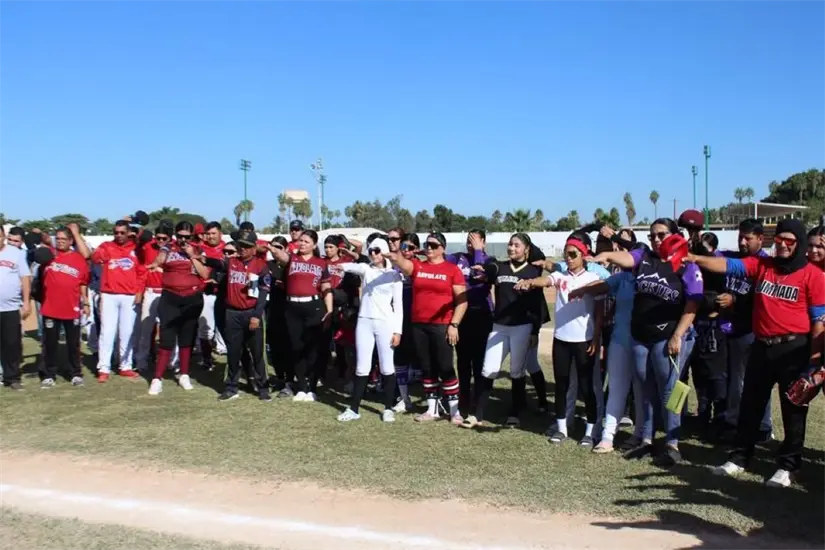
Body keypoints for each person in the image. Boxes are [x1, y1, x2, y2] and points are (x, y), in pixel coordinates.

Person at [694, 219, 825, 488]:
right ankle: (739, 458)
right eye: (779, 240)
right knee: (750, 405)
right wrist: (693, 258)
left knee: (793, 410)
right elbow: (728, 265)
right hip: (762, 346)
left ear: (799, 243)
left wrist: (813, 364)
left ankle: (788, 467)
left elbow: (818, 323)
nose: (783, 245)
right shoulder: (763, 265)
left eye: (789, 240)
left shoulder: (813, 275)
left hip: (794, 349)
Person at [594, 218, 704, 467]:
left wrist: (677, 335)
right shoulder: (644, 257)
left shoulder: (686, 265)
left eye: (661, 235)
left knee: (669, 390)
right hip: (640, 336)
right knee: (644, 388)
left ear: (675, 236)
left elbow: (692, 304)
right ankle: (646, 439)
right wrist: (607, 255)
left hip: (668, 337)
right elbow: (627, 258)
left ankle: (673, 444)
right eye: (652, 235)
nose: (656, 239)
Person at [522, 234, 603, 446]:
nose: (568, 258)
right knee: (562, 385)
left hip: (584, 341)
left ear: (583, 255)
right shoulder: (560, 276)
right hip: (561, 340)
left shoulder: (592, 279)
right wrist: (531, 282)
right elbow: (546, 281)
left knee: (586, 387)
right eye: (566, 254)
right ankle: (561, 429)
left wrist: (596, 338)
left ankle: (591, 431)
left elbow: (599, 313)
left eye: (573, 254)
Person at [462, 233, 544, 428]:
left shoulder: (533, 271)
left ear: (526, 249)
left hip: (522, 327)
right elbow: (491, 269)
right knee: (488, 369)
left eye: (516, 245)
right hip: (499, 326)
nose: (511, 248)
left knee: (516, 371)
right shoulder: (501, 266)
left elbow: (537, 305)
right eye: (510, 244)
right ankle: (477, 415)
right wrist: (484, 269)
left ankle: (515, 412)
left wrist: (535, 331)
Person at [389, 231, 467, 424]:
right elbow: (400, 261)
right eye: (427, 245)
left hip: (442, 325)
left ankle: (455, 410)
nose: (430, 248)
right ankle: (432, 410)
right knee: (427, 367)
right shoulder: (418, 266)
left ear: (443, 248)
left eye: (434, 245)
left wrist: (454, 324)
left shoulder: (452, 269)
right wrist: (399, 250)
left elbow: (462, 301)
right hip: (419, 325)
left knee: (445, 366)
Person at [336, 236, 404, 422]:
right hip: (364, 321)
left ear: (384, 253)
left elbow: (398, 307)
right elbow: (354, 266)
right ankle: (354, 409)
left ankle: (388, 408)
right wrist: (341, 266)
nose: (373, 254)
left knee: (387, 366)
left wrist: (397, 331)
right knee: (362, 366)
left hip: (385, 323)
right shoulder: (366, 269)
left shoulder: (394, 275)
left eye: (377, 251)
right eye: (371, 251)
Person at [721, 219, 773, 442]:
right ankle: (732, 421)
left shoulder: (766, 264)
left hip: (752, 330)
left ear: (760, 239)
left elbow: (763, 299)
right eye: (740, 236)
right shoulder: (735, 259)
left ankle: (762, 426)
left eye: (747, 238)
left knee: (755, 380)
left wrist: (736, 300)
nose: (742, 242)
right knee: (733, 379)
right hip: (730, 328)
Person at [269, 229, 334, 402]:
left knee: (312, 348)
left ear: (314, 244)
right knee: (296, 346)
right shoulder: (292, 258)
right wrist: (272, 248)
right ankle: (301, 387)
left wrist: (329, 311)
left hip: (313, 306)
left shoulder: (320, 263)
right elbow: (279, 255)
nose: (302, 244)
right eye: (301, 241)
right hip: (292, 307)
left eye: (306, 241)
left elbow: (326, 288)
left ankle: (312, 387)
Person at [146, 222, 211, 395]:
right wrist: (157, 261)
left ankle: (184, 374)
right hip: (170, 297)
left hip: (192, 297)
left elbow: (204, 274)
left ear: (192, 236)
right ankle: (157, 378)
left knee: (187, 337)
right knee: (166, 338)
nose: (183, 240)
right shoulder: (168, 248)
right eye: (180, 236)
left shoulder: (198, 249)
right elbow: (159, 260)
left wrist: (192, 256)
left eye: (186, 237)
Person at [206, 230, 271, 402]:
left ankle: (263, 387)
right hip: (232, 313)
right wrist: (201, 258)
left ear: (254, 248)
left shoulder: (261, 265)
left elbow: (264, 293)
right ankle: (231, 387)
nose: (242, 249)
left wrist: (257, 315)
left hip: (252, 312)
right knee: (233, 352)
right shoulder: (232, 262)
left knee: (257, 353)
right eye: (240, 245)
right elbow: (217, 263)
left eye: (247, 246)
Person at [91, 220, 145, 381]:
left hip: (129, 296)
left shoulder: (136, 249)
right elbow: (94, 258)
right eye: (116, 232)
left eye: (122, 232)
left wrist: (139, 291)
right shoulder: (107, 246)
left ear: (129, 233)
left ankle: (125, 365)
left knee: (127, 332)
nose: (119, 235)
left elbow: (142, 272)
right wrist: (103, 253)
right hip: (109, 294)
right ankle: (103, 368)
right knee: (107, 332)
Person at [37, 227, 90, 388]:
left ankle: (75, 374)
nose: (60, 241)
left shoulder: (78, 259)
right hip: (50, 307)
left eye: (63, 239)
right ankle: (49, 374)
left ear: (70, 241)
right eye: (58, 238)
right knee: (50, 343)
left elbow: (82, 282)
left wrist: (85, 302)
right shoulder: (49, 255)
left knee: (73, 344)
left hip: (71, 307)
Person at [447, 230, 492, 415]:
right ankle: (463, 399)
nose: (470, 244)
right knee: (463, 361)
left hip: (482, 315)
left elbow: (478, 273)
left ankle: (478, 401)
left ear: (483, 243)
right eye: (468, 240)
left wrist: (479, 251)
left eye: (474, 241)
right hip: (462, 315)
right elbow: (439, 259)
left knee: (480, 361)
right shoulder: (458, 258)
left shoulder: (490, 261)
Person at [389, 230, 420, 412]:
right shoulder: (392, 266)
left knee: (423, 359)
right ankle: (403, 398)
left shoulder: (422, 265)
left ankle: (433, 400)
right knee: (399, 356)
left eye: (411, 247)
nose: (406, 250)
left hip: (418, 317)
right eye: (403, 246)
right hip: (398, 318)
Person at [135, 223, 171, 373]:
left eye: (164, 238)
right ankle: (141, 360)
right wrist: (140, 291)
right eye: (158, 238)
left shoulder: (173, 249)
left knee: (167, 330)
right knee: (145, 329)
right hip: (150, 292)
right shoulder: (148, 247)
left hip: (167, 292)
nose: (161, 241)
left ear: (170, 238)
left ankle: (168, 361)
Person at [0, 225, 31, 390]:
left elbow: (25, 278)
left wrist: (26, 302)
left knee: (11, 344)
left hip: (10, 307)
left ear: (3, 237)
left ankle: (12, 378)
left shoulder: (16, 254)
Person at [198, 221, 228, 369]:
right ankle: (207, 359)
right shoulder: (200, 249)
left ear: (220, 233)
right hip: (206, 292)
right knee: (206, 329)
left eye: (213, 233)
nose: (210, 236)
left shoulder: (227, 248)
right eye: (208, 234)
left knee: (226, 328)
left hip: (224, 294)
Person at [265, 237, 292, 395]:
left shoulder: (291, 265)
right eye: (273, 247)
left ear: (286, 249)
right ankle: (280, 378)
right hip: (272, 309)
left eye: (279, 247)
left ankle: (290, 381)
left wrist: (286, 285)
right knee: (274, 347)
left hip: (289, 310)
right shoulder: (268, 265)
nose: (275, 250)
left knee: (288, 347)